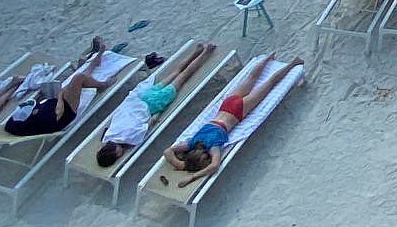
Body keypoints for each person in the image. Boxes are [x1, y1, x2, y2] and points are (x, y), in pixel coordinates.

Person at [162, 56, 304, 176]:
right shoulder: (192, 141)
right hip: (226, 105)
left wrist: (189, 173)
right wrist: (179, 163)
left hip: (238, 111)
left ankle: (293, 63)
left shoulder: (214, 147)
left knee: (269, 83)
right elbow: (167, 151)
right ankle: (268, 58)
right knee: (252, 77)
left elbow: (214, 166)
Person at [94, 44, 219, 170]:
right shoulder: (108, 135)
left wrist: (159, 112)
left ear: (115, 153)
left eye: (117, 156)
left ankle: (205, 52)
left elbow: (151, 121)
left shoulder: (129, 137)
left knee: (184, 76)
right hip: (143, 98)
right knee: (175, 72)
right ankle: (196, 51)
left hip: (154, 104)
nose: (120, 155)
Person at [1, 41, 120, 138]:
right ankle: (102, 85)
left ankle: (93, 64)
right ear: (32, 114)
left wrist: (42, 96)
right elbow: (59, 112)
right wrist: (59, 96)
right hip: (66, 112)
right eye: (34, 108)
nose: (36, 106)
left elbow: (19, 117)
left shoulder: (15, 122)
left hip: (56, 105)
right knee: (79, 78)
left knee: (76, 81)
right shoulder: (44, 120)